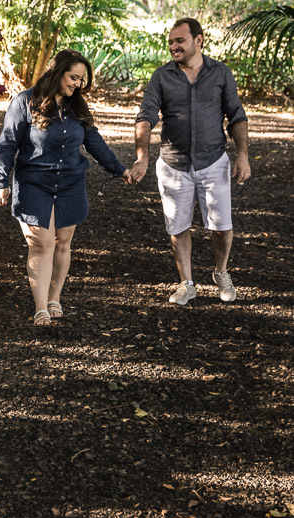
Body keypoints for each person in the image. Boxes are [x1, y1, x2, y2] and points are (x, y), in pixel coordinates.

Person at [0, 49, 131, 326]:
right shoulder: (25, 101)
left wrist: (120, 169)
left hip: (70, 183)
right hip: (34, 183)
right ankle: (40, 307)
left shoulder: (77, 106)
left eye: (81, 80)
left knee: (62, 243)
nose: (77, 84)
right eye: (73, 77)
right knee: (41, 244)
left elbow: (94, 142)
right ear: (57, 72)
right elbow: (7, 144)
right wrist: (1, 181)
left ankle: (55, 297)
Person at [129, 17, 250, 305]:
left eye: (179, 41)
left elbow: (237, 115)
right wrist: (142, 159)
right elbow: (145, 117)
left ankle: (221, 272)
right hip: (173, 165)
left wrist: (242, 155)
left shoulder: (220, 73)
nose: (173, 46)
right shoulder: (161, 76)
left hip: (213, 161)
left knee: (222, 226)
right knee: (177, 226)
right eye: (170, 42)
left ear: (198, 40)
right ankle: (186, 283)